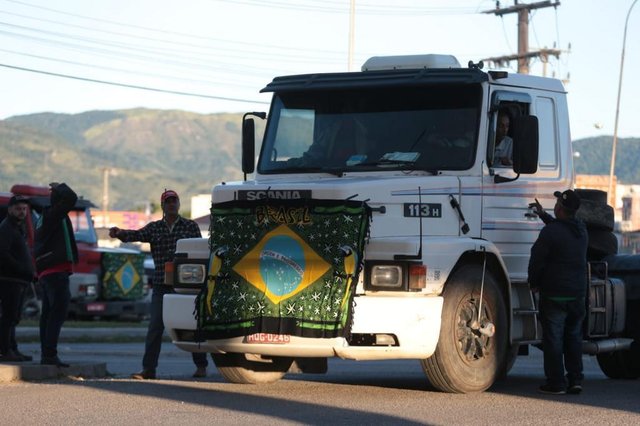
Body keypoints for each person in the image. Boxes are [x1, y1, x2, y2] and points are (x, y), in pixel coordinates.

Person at [109, 189, 209, 379]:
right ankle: (148, 369)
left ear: (179, 204)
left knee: (192, 325)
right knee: (155, 327)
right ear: (163, 206)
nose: (171, 204)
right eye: (168, 201)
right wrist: (120, 233)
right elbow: (136, 235)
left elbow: (199, 251)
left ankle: (201, 366)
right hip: (161, 286)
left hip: (185, 286)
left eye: (174, 201)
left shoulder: (190, 226)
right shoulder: (154, 228)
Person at [528, 190, 588, 395]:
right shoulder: (581, 230)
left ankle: (556, 383)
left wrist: (533, 282)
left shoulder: (551, 233)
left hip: (554, 295)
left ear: (560, 209)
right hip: (577, 295)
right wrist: (543, 215)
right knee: (573, 338)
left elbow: (536, 258)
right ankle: (575, 380)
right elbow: (561, 230)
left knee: (554, 340)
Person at [34, 182, 79, 367]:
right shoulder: (53, 215)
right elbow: (71, 198)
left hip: (48, 272)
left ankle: (47, 354)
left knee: (48, 315)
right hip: (55, 272)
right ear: (59, 202)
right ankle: (50, 355)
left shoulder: (48, 216)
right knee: (57, 314)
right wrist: (61, 187)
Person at [0, 195, 35, 362]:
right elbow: (3, 253)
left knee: (14, 317)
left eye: (24, 209)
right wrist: (20, 269)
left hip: (20, 280)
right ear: (10, 210)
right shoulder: (6, 228)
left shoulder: (17, 228)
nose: (22, 212)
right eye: (18, 209)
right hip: (10, 280)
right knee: (8, 316)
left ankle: (13, 349)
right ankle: (5, 350)